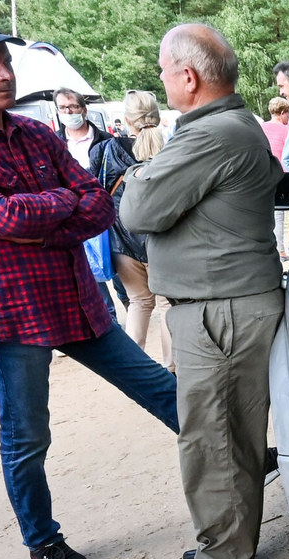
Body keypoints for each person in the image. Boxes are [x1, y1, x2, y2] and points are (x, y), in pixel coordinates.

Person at [0, 15, 179, 559]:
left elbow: (97, 204)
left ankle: (241, 461)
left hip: (75, 300)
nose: (4, 74)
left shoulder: (36, 133)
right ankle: (43, 541)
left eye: (6, 61)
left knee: (159, 386)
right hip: (13, 312)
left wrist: (36, 219)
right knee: (26, 434)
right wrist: (58, 209)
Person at [121, 23, 285, 559]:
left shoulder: (212, 135)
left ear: (187, 77)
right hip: (226, 305)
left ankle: (223, 558)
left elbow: (138, 208)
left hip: (222, 309)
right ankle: (227, 538)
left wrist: (137, 173)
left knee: (213, 437)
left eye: (165, 70)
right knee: (228, 434)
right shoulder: (228, 128)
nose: (162, 79)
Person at [88, 90, 173, 370]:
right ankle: (171, 369)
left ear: (125, 119)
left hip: (121, 241)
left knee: (138, 303)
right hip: (163, 241)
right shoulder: (172, 149)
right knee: (166, 305)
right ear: (157, 117)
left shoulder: (105, 151)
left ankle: (132, 367)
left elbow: (95, 194)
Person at [54, 87, 127, 319]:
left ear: (84, 110)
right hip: (75, 218)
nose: (68, 112)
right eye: (63, 108)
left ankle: (130, 305)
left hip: (109, 216)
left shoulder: (106, 141)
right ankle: (110, 319)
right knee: (91, 271)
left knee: (119, 268)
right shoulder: (54, 144)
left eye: (73, 107)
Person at [261, 96, 289, 259]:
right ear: (282, 113)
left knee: (274, 215)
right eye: (288, 113)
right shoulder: (287, 130)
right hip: (285, 174)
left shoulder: (261, 127)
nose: (288, 117)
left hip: (266, 174)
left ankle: (277, 248)